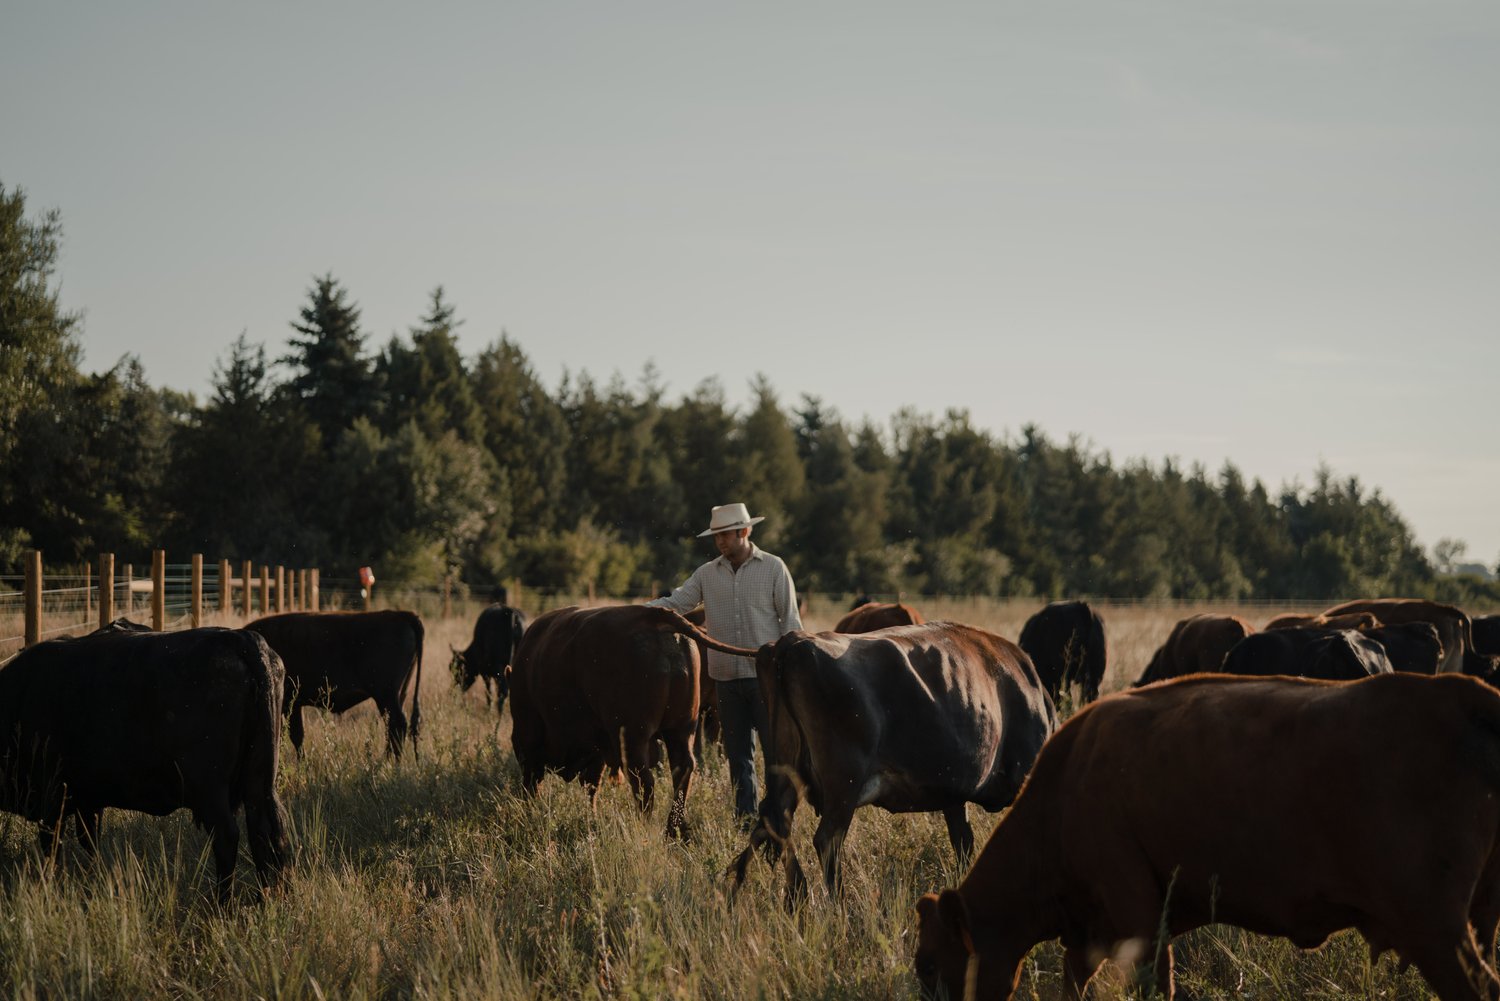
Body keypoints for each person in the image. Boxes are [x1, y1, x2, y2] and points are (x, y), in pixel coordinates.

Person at [647, 502, 801, 822]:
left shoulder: (774, 568)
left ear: (744, 532)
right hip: (725, 681)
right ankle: (744, 821)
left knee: (775, 754)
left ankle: (776, 820)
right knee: (738, 757)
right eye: (716, 536)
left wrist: (789, 674)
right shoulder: (706, 574)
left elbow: (791, 624)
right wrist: (637, 612)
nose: (720, 542)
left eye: (726, 535)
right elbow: (677, 603)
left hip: (765, 680)